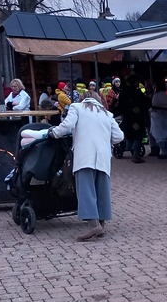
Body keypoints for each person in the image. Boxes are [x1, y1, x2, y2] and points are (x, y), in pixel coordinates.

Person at [48, 95, 124, 240]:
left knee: (86, 190)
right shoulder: (107, 114)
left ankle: (93, 225)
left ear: (83, 98)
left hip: (85, 155)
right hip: (103, 157)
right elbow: (119, 136)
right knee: (102, 190)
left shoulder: (77, 107)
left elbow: (67, 126)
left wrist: (54, 132)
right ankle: (101, 225)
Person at [117, 75, 151, 163]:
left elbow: (120, 106)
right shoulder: (136, 92)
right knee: (139, 134)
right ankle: (135, 154)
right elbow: (145, 102)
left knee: (129, 133)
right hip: (136, 118)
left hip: (127, 117)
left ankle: (129, 147)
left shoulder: (123, 92)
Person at [150, 83, 167, 159]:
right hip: (164, 116)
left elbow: (154, 105)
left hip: (157, 116)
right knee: (164, 134)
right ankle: (166, 151)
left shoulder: (156, 95)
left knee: (158, 135)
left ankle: (165, 152)